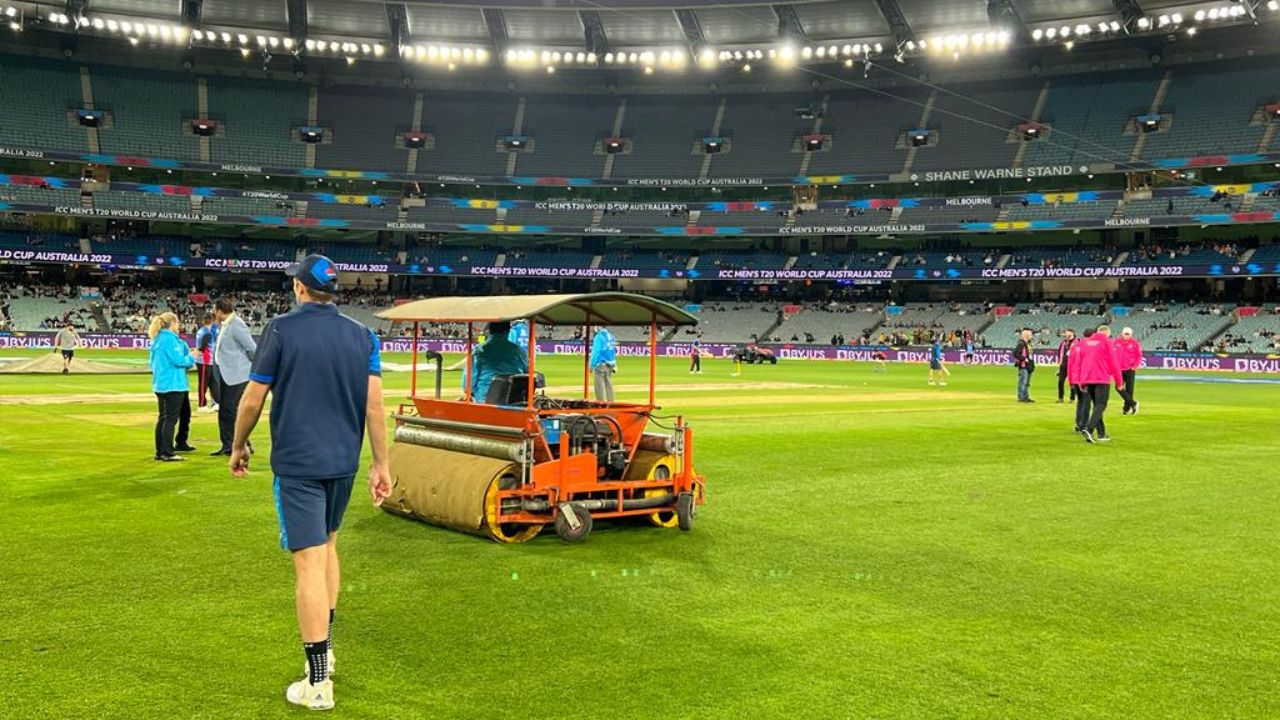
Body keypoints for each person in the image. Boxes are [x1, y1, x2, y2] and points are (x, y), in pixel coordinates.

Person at [228, 254, 391, 711]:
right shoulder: (363, 336)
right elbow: (374, 408)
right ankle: (328, 652)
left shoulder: (280, 329)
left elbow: (252, 399)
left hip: (298, 465)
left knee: (308, 565)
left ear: (300, 289)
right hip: (343, 462)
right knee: (329, 549)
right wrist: (381, 464)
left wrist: (238, 446)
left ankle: (318, 682)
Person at [147, 312, 196, 461]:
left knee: (163, 418)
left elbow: (152, 363)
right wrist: (191, 357)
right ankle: (167, 452)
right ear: (173, 323)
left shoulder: (157, 339)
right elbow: (179, 360)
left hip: (160, 383)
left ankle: (160, 451)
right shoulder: (170, 340)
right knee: (170, 419)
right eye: (177, 323)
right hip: (173, 383)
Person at [211, 297, 257, 456]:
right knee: (226, 411)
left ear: (218, 311)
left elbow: (251, 349)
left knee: (231, 411)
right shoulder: (226, 325)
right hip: (227, 374)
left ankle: (240, 444)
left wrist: (249, 368)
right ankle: (229, 445)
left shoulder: (237, 324)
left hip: (237, 375)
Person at [1071, 324, 1125, 444]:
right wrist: (1119, 381)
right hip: (1101, 378)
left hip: (1088, 379)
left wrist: (1081, 380)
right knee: (1101, 404)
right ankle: (1089, 429)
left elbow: (1080, 363)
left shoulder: (1085, 343)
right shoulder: (1107, 342)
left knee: (1097, 406)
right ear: (1107, 333)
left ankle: (1101, 434)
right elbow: (1114, 363)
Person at [467, 320, 528, 403]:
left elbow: (469, 382)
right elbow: (526, 374)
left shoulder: (479, 351)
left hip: (484, 399)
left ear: (490, 330)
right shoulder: (519, 351)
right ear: (508, 331)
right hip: (512, 400)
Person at [1069, 329, 1094, 433]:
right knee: (1086, 402)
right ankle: (1084, 425)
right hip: (1085, 378)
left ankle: (1078, 424)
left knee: (1080, 402)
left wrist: (1070, 380)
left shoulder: (1075, 347)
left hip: (1075, 378)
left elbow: (1070, 364)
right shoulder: (1089, 348)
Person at [1114, 326, 1142, 415]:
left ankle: (1126, 409)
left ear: (1131, 335)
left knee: (1129, 390)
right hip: (1119, 369)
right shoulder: (1116, 342)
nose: (1126, 336)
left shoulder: (1135, 343)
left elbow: (1139, 355)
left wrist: (1135, 365)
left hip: (1130, 369)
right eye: (1125, 334)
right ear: (1122, 333)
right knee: (1118, 387)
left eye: (1128, 334)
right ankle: (1133, 403)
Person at [194, 315, 216, 409]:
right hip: (204, 360)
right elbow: (203, 346)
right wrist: (196, 352)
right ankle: (202, 404)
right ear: (212, 321)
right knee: (204, 383)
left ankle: (215, 402)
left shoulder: (201, 331)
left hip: (205, 361)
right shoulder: (207, 333)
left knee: (211, 382)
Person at [591, 325, 617, 401]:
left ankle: (601, 404)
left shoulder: (599, 337)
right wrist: (614, 364)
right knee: (609, 384)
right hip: (610, 364)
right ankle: (611, 403)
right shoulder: (611, 336)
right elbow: (612, 351)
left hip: (600, 364)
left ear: (599, 326)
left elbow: (596, 352)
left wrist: (592, 365)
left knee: (599, 386)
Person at [1013, 328, 1035, 403]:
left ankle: (1026, 396)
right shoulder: (1021, 344)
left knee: (1027, 383)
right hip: (1024, 365)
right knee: (1023, 381)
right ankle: (1021, 397)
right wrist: (1023, 359)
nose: (1032, 336)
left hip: (1029, 365)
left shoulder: (1028, 344)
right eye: (1030, 334)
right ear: (1026, 335)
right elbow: (1015, 353)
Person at [1056, 329, 1077, 404]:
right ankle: (1060, 398)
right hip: (1063, 365)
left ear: (1072, 334)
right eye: (1065, 334)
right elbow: (1059, 353)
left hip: (1072, 365)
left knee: (1072, 382)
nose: (1066, 336)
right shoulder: (1063, 343)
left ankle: (1072, 398)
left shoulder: (1076, 342)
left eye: (1068, 334)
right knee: (1060, 382)